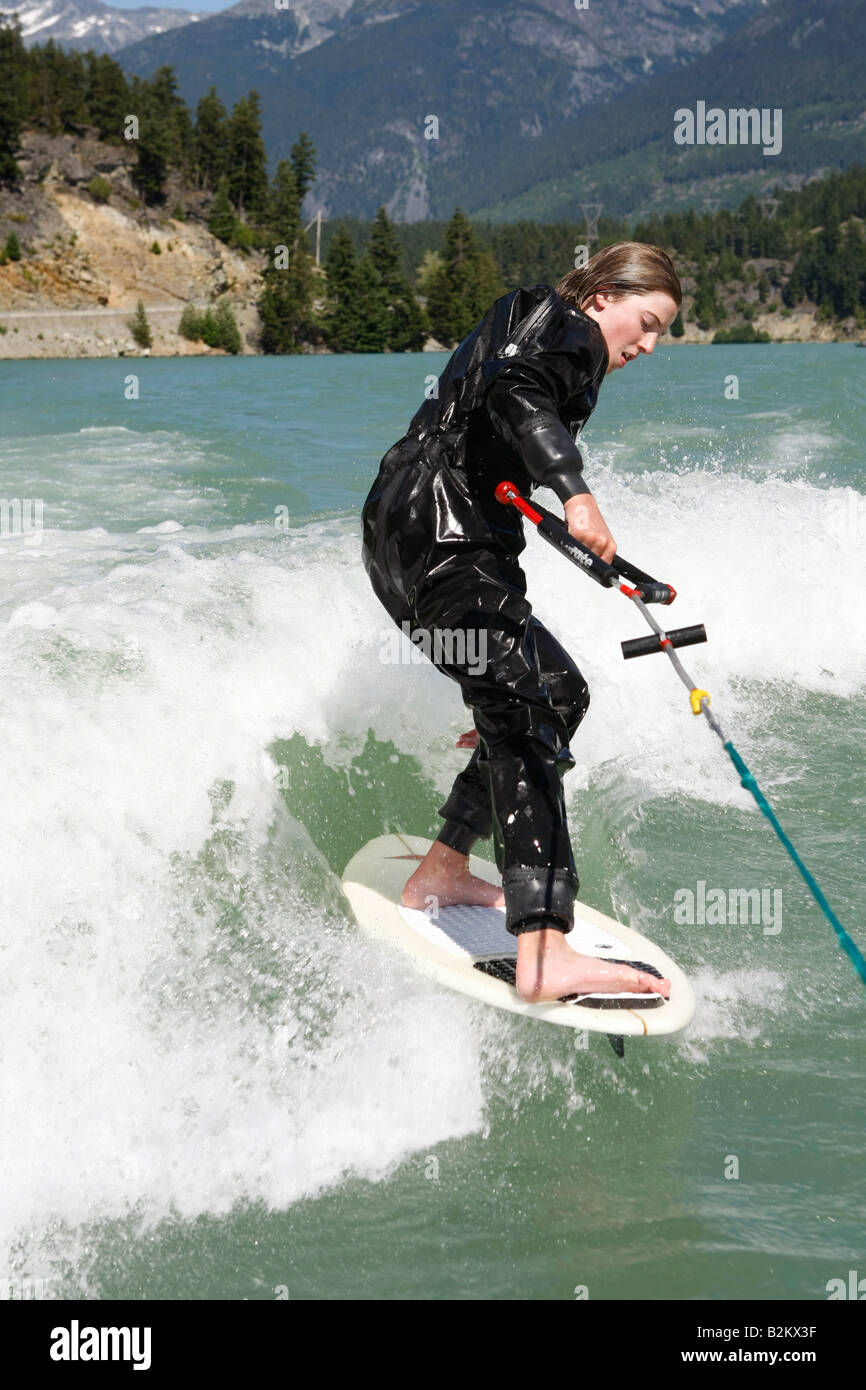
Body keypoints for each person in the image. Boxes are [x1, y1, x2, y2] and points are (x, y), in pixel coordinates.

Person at [362, 242, 681, 1002]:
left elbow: (490, 450)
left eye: (662, 333)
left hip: (409, 536)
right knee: (534, 704)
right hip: (441, 545)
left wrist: (573, 530)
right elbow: (518, 396)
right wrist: (575, 490)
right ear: (603, 295)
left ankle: (440, 871)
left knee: (553, 694)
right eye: (646, 322)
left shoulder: (523, 316)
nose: (648, 345)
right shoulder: (566, 334)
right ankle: (543, 953)